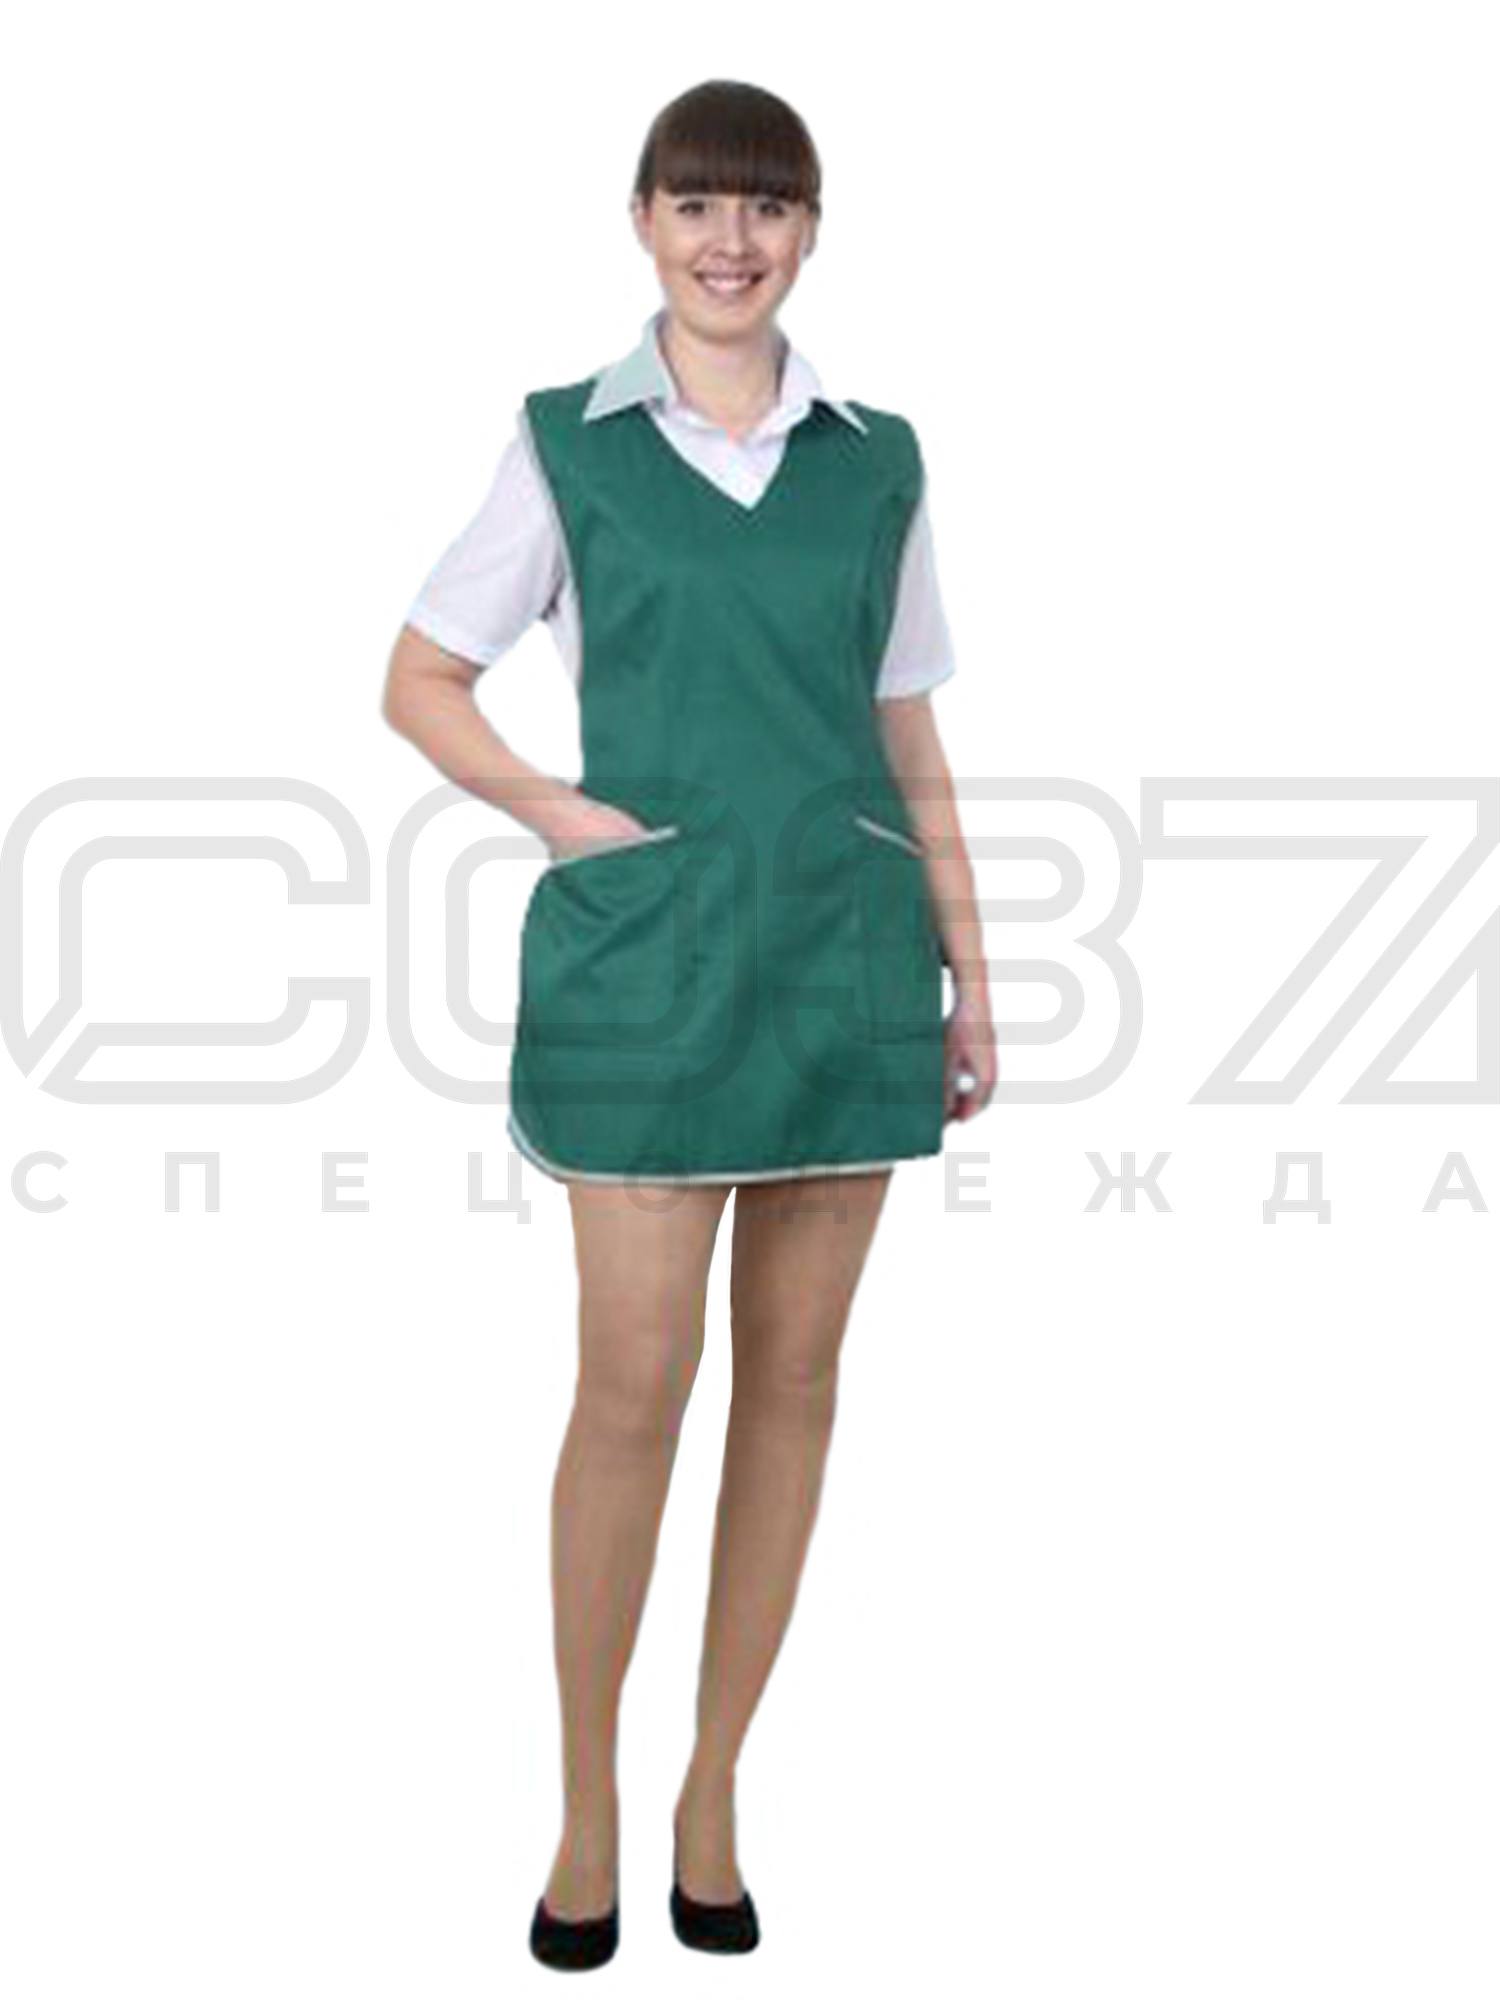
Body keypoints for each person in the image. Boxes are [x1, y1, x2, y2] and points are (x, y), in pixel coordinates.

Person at [382, 78, 995, 1970]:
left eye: (768, 206)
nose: (734, 240)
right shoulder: (565, 445)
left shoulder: (878, 459)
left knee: (796, 1389)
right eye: (699, 203)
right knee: (631, 1396)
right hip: (648, 976)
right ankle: (583, 1805)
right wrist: (565, 816)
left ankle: (712, 1789)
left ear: (810, 231)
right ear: (642, 220)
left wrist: (971, 967)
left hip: (843, 966)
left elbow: (904, 723)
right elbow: (420, 677)